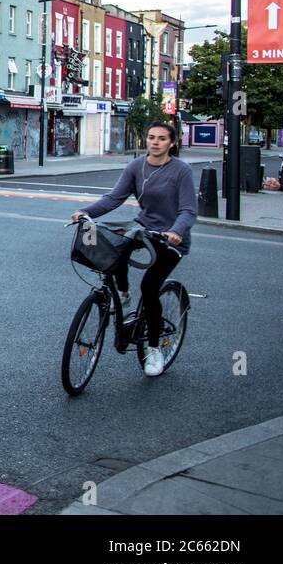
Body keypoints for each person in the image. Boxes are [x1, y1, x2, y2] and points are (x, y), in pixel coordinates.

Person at [70, 121, 196, 377]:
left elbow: (188, 210)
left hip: (169, 237)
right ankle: (122, 294)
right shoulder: (136, 166)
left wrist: (176, 232)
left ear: (171, 143)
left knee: (149, 287)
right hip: (143, 227)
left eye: (162, 138)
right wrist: (86, 212)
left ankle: (153, 349)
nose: (156, 142)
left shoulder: (181, 171)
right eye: (151, 137)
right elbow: (114, 198)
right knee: (111, 246)